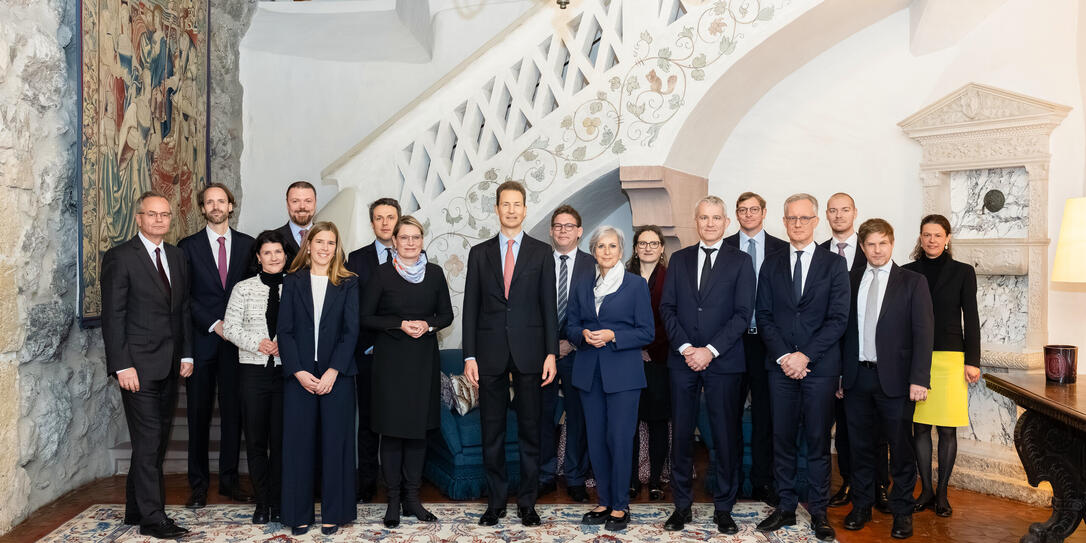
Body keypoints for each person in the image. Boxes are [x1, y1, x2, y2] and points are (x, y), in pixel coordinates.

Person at [753, 194, 850, 542]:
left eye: (804, 218)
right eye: (791, 218)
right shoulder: (771, 264)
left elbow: (838, 318)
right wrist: (785, 357)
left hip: (819, 370)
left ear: (815, 221)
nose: (797, 224)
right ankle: (785, 507)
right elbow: (764, 315)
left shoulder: (834, 264)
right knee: (781, 440)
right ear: (784, 222)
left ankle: (819, 512)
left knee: (817, 442)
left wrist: (805, 356)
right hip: (780, 368)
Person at [461, 180, 558, 527]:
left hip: (532, 354)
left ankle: (527, 503)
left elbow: (549, 307)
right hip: (489, 354)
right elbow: (470, 308)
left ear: (525, 209)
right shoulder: (480, 253)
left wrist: (551, 353)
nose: (512, 210)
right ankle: (496, 502)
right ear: (497, 209)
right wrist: (469, 356)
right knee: (493, 432)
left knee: (531, 432)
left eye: (517, 204)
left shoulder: (541, 252)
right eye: (506, 204)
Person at [659, 196, 756, 535]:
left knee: (724, 436)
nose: (710, 223)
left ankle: (724, 508)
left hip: (724, 361)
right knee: (681, 435)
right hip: (682, 360)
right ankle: (681, 506)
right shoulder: (679, 259)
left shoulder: (741, 261)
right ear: (696, 221)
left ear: (726, 222)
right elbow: (667, 308)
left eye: (716, 218)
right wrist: (687, 348)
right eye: (704, 217)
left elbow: (743, 314)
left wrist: (709, 351)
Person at [100, 191, 194, 539]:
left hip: (169, 365)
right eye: (152, 214)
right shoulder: (120, 257)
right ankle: (154, 519)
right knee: (150, 440)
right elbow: (113, 316)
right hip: (136, 368)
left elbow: (182, 309)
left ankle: (135, 509)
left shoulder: (177, 256)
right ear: (138, 218)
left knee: (153, 441)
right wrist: (122, 365)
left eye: (164, 214)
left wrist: (187, 354)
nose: (159, 220)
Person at [840, 218, 934, 540]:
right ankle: (861, 506)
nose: (877, 250)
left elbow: (924, 333)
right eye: (871, 244)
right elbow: (843, 331)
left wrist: (919, 378)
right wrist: (840, 374)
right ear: (862, 247)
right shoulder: (850, 279)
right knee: (859, 448)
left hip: (897, 381)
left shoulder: (913, 282)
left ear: (892, 244)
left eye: (882, 243)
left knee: (900, 449)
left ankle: (902, 511)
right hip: (856, 378)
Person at [361, 216, 454, 528]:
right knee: (392, 432)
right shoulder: (382, 274)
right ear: (395, 241)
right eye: (404, 237)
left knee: (418, 432)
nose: (410, 242)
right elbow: (366, 317)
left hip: (423, 361)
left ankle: (412, 499)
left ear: (422, 240)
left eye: (416, 237)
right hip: (390, 363)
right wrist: (399, 324)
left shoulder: (435, 273)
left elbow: (447, 315)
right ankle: (392, 500)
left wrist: (428, 324)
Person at [566, 225, 654, 532]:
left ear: (621, 250)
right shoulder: (581, 285)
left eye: (612, 246)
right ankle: (604, 501)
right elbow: (571, 326)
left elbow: (647, 332)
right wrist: (583, 334)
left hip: (624, 376)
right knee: (596, 440)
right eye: (601, 246)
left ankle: (620, 504)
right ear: (593, 251)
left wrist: (613, 335)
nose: (606, 251)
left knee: (619, 439)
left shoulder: (635, 285)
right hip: (589, 374)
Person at [277, 222, 359, 536]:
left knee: (336, 445)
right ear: (308, 246)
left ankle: (334, 513)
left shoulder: (349, 282)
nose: (325, 248)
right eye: (319, 242)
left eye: (331, 243)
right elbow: (284, 331)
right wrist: (298, 371)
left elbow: (351, 332)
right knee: (298, 445)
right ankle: (298, 513)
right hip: (299, 375)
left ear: (337, 248)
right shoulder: (292, 281)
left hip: (337, 376)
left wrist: (333, 371)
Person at [176, 183, 254, 508]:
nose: (216, 206)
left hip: (237, 345)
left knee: (234, 415)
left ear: (231, 206)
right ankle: (198, 485)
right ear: (202, 209)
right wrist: (214, 323)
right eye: (210, 202)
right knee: (198, 415)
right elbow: (184, 296)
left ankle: (229, 481)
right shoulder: (187, 246)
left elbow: (254, 291)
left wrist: (235, 327)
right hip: (203, 340)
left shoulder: (249, 245)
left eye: (221, 201)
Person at [904, 214, 980, 518]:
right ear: (920, 238)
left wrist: (972, 360)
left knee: (947, 429)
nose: (931, 240)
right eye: (927, 235)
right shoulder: (907, 272)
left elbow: (971, 318)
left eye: (937, 235)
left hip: (950, 358)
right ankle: (926, 490)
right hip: (917, 358)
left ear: (947, 238)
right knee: (920, 428)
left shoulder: (963, 272)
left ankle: (943, 492)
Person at [820, 192, 888, 510]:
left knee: (876, 428)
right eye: (833, 210)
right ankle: (848, 482)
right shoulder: (818, 252)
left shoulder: (872, 250)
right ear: (826, 215)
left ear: (854, 212)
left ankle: (880, 486)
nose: (839, 215)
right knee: (844, 427)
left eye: (844, 210)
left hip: (867, 355)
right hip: (830, 356)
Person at [222, 230, 294, 524]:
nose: (273, 257)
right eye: (267, 253)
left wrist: (284, 346)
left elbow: (305, 327)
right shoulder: (243, 288)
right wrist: (258, 343)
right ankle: (262, 503)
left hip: (287, 374)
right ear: (258, 257)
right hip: (253, 373)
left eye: (278, 252)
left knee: (281, 442)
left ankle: (278, 502)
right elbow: (230, 328)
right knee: (255, 441)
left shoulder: (296, 286)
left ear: (286, 255)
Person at [723, 191, 788, 505]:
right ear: (736, 214)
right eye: (742, 210)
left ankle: (763, 481)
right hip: (731, 343)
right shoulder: (723, 248)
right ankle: (731, 481)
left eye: (753, 209)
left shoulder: (782, 249)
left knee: (766, 415)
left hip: (768, 342)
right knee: (729, 414)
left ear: (764, 212)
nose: (748, 214)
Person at [345, 197, 401, 503]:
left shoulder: (413, 254)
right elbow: (352, 308)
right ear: (372, 223)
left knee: (398, 420)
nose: (385, 223)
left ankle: (398, 484)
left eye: (390, 217)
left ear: (398, 220)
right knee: (367, 422)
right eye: (379, 218)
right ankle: (366, 484)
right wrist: (367, 344)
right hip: (366, 352)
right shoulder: (356, 259)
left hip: (402, 352)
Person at [539, 205, 594, 503]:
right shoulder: (538, 262)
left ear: (579, 231)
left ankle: (575, 478)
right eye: (558, 226)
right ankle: (544, 476)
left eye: (569, 226)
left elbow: (598, 310)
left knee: (578, 417)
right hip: (543, 355)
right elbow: (530, 310)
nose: (563, 230)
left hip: (578, 352)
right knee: (543, 416)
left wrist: (573, 342)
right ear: (551, 231)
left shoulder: (592, 264)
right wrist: (550, 346)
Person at [626, 225, 671, 501]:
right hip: (627, 360)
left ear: (662, 248)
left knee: (657, 422)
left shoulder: (670, 277)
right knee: (629, 422)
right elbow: (616, 317)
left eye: (654, 243)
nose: (648, 248)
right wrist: (634, 347)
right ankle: (631, 480)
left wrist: (648, 347)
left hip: (659, 360)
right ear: (635, 248)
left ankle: (655, 480)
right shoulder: (623, 276)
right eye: (643, 243)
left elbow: (673, 318)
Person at [274, 181, 317, 255]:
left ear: (315, 203)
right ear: (287, 204)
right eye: (295, 201)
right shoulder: (273, 239)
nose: (302, 206)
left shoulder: (328, 237)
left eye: (308, 201)